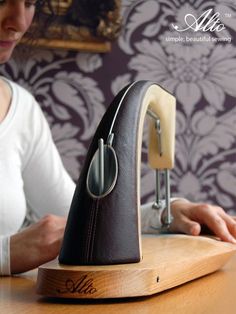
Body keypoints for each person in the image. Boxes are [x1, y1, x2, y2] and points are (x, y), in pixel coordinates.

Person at [0, 0, 236, 276]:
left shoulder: (21, 107)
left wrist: (166, 215)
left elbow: (83, 219)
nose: (19, 22)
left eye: (30, 3)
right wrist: (7, 253)